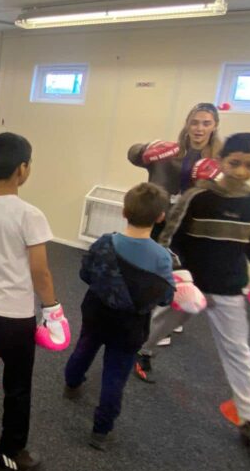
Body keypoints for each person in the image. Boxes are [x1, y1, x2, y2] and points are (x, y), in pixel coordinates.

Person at [134, 133, 250, 452]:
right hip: (190, 285)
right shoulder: (197, 198)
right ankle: (141, 352)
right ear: (221, 162)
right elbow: (169, 238)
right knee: (160, 325)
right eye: (235, 162)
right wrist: (180, 277)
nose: (242, 170)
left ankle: (248, 418)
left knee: (238, 351)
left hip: (229, 288)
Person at [0, 132, 65, 471]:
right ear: (23, 169)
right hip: (16, 318)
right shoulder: (30, 215)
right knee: (17, 388)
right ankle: (10, 454)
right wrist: (52, 309)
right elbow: (40, 271)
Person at [63, 183, 175, 450]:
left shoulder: (104, 243)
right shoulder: (162, 258)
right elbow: (166, 297)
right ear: (160, 217)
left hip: (97, 313)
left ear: (124, 212)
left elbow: (85, 274)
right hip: (131, 326)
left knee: (84, 348)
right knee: (115, 374)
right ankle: (101, 431)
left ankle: (72, 382)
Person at [128, 103, 223, 346]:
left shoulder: (218, 160)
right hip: (162, 221)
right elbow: (133, 155)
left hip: (192, 226)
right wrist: (145, 149)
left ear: (214, 126)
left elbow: (223, 197)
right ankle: (153, 326)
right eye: (194, 122)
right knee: (157, 272)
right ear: (187, 124)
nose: (199, 128)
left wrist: (218, 179)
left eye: (205, 123)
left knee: (184, 275)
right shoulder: (169, 153)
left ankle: (170, 320)